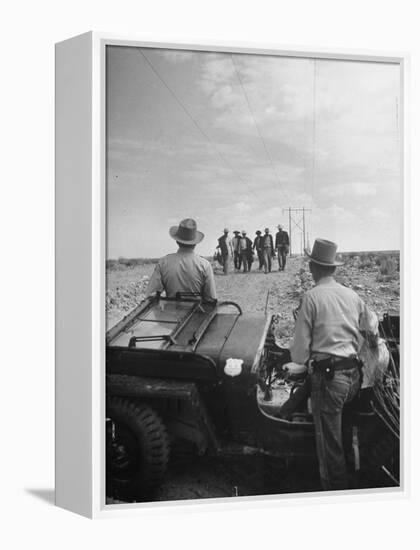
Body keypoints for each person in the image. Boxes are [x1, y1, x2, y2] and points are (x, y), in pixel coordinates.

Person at [289, 238, 379, 491]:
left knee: (329, 447)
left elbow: (299, 353)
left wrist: (299, 362)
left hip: (329, 380)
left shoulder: (312, 297)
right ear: (334, 268)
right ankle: (355, 474)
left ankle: (335, 494)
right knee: (345, 428)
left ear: (312, 267)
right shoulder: (352, 295)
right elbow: (369, 332)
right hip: (353, 377)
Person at [146, 218, 217, 301]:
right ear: (195, 243)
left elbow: (151, 295)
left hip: (170, 312)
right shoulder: (205, 265)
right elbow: (211, 298)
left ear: (177, 241)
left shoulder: (163, 263)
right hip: (197, 312)